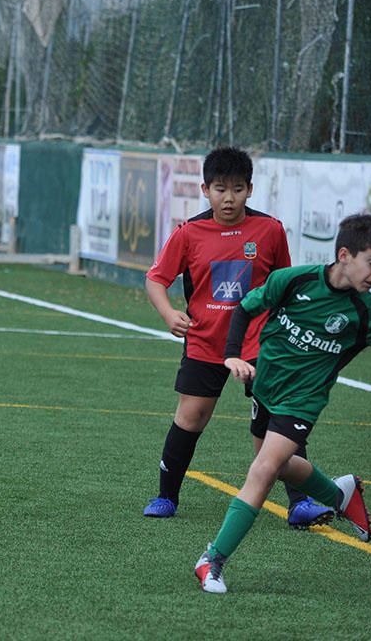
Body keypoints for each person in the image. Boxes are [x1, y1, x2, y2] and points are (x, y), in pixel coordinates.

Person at [195, 214, 371, 594]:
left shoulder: (365, 312)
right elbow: (246, 308)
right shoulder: (294, 280)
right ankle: (339, 494)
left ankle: (212, 560)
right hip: (266, 386)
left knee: (263, 469)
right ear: (344, 254)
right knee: (279, 467)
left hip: (303, 400)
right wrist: (234, 355)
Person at [143, 147, 333, 529]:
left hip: (262, 345)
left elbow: (284, 283)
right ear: (204, 190)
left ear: (250, 189)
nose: (228, 198)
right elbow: (156, 278)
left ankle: (300, 503)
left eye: (237, 189)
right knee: (191, 416)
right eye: (219, 189)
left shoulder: (270, 230)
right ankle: (166, 495)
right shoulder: (189, 233)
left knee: (278, 421)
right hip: (205, 343)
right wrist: (168, 314)